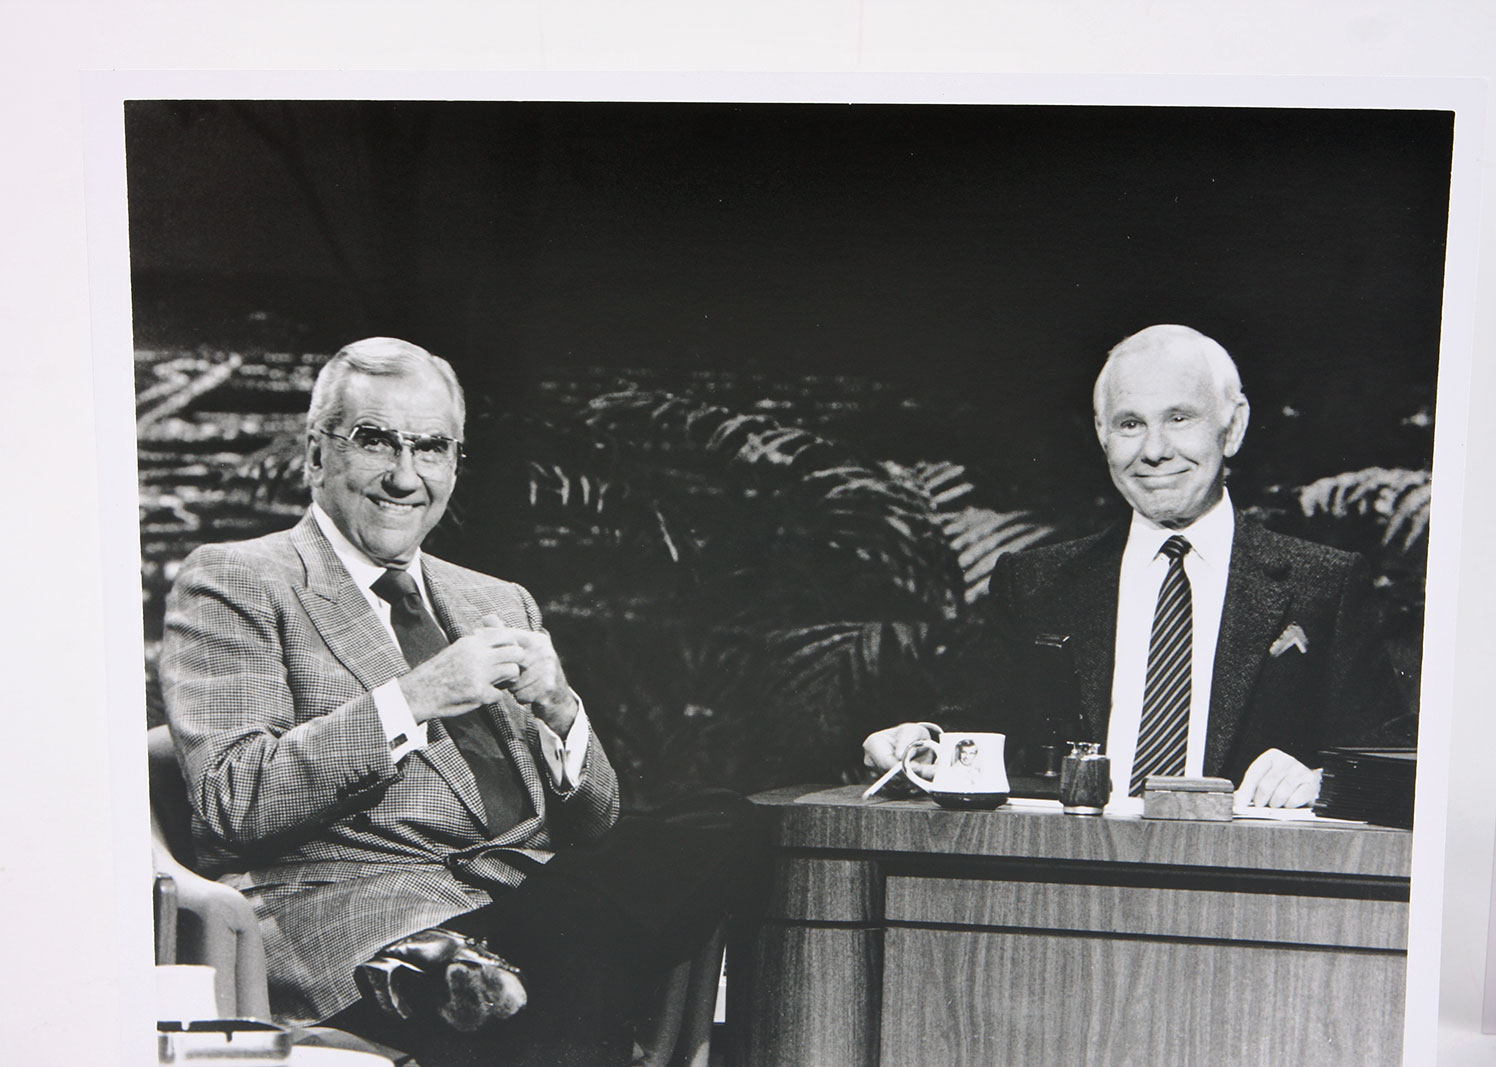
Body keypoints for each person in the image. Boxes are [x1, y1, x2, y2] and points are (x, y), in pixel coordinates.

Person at [162, 337, 763, 1067]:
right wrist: (416, 696)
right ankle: (444, 967)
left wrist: (561, 711)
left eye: (432, 448)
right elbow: (234, 798)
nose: (404, 476)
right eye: (375, 440)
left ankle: (473, 968)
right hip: (362, 917)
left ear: (454, 463)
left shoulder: (497, 599)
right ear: (317, 454)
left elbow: (594, 820)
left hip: (528, 905)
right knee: (581, 947)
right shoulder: (237, 580)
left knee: (725, 821)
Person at [864, 324, 1406, 809]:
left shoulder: (1325, 584)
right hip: (1067, 879)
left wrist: (1319, 780)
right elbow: (974, 735)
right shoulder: (1033, 583)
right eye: (1129, 424)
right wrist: (921, 746)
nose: (1154, 450)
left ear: (1233, 427)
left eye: (1179, 418)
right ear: (1102, 435)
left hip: (1249, 888)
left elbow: (1391, 758)